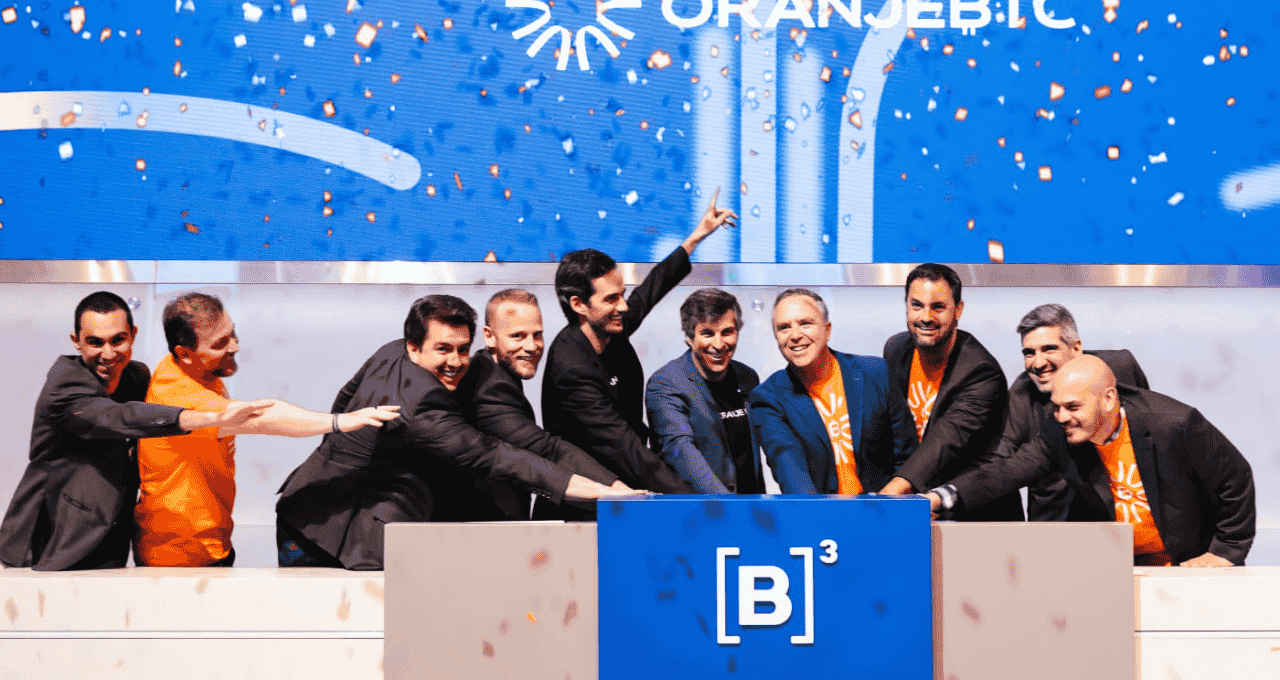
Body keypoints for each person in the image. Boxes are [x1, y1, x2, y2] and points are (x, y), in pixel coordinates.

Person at [275, 295, 629, 570]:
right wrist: (601, 491)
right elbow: (498, 457)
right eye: (443, 349)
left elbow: (344, 400)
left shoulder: (391, 351)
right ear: (414, 347)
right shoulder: (424, 406)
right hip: (334, 537)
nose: (456, 362)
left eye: (463, 349)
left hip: (302, 503)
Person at [0, 292, 269, 571]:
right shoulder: (64, 387)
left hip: (110, 542)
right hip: (47, 545)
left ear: (133, 335)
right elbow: (119, 417)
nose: (108, 354)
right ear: (76, 342)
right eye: (95, 342)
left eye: (118, 340)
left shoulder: (137, 377)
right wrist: (207, 418)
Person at [134, 292, 401, 567]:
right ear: (184, 353)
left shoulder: (195, 370)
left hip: (211, 542)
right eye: (220, 343)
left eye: (232, 333)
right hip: (176, 553)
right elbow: (262, 418)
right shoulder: (178, 395)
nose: (235, 346)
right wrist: (340, 422)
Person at [931, 355, 1255, 566]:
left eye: (1073, 407)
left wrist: (1225, 551)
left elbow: (1235, 477)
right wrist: (942, 497)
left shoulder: (1175, 424)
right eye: (1057, 407)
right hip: (1121, 566)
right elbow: (1006, 471)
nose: (1061, 417)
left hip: (1187, 563)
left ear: (1109, 399)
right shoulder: (1062, 435)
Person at [539, 189, 737, 505]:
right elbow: (627, 449)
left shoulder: (609, 327)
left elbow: (649, 290)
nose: (623, 306)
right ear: (579, 305)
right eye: (611, 299)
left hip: (629, 483)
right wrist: (697, 502)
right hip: (589, 503)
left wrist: (696, 237)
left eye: (622, 294)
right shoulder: (571, 369)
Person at [956, 304, 1149, 521]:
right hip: (1055, 524)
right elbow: (998, 461)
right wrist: (950, 496)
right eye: (1029, 353)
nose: (1038, 363)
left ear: (1075, 348)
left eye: (1049, 349)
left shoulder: (1120, 368)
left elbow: (1147, 429)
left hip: (1120, 517)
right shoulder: (1021, 394)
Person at [454, 289, 632, 520]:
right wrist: (616, 488)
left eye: (537, 335)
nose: (532, 346)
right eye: (518, 336)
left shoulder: (494, 370)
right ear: (489, 336)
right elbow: (547, 449)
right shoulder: (488, 385)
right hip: (480, 529)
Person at [879, 263, 1023, 521]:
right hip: (916, 504)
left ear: (958, 310)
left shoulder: (980, 371)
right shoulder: (897, 349)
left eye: (938, 307)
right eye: (917, 305)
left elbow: (948, 439)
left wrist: (886, 499)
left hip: (975, 514)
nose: (925, 317)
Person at [747, 289, 917, 494]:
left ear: (827, 330)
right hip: (820, 512)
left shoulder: (876, 373)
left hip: (887, 507)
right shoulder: (767, 398)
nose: (795, 335)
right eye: (784, 328)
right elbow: (790, 470)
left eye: (805, 323)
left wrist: (888, 504)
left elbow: (908, 457)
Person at [646, 288, 762, 494]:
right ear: (690, 338)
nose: (718, 344)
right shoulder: (666, 383)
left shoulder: (747, 377)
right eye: (708, 333)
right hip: (699, 509)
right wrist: (728, 505)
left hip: (749, 506)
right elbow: (680, 450)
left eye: (727, 332)